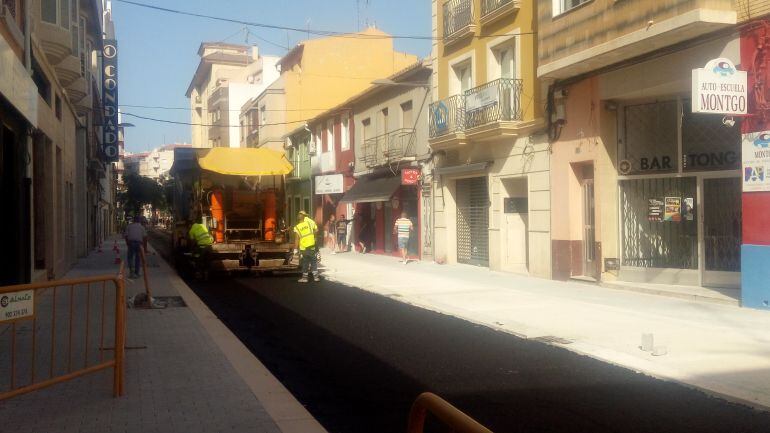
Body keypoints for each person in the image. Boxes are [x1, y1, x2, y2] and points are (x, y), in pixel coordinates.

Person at [294, 210, 320, 283]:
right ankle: (316, 277)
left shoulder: (297, 227)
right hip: (312, 245)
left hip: (304, 247)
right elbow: (317, 230)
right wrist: (313, 236)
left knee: (305, 262)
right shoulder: (309, 223)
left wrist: (295, 250)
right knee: (313, 261)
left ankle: (305, 278)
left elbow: (296, 239)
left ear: (300, 216)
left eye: (299, 214)